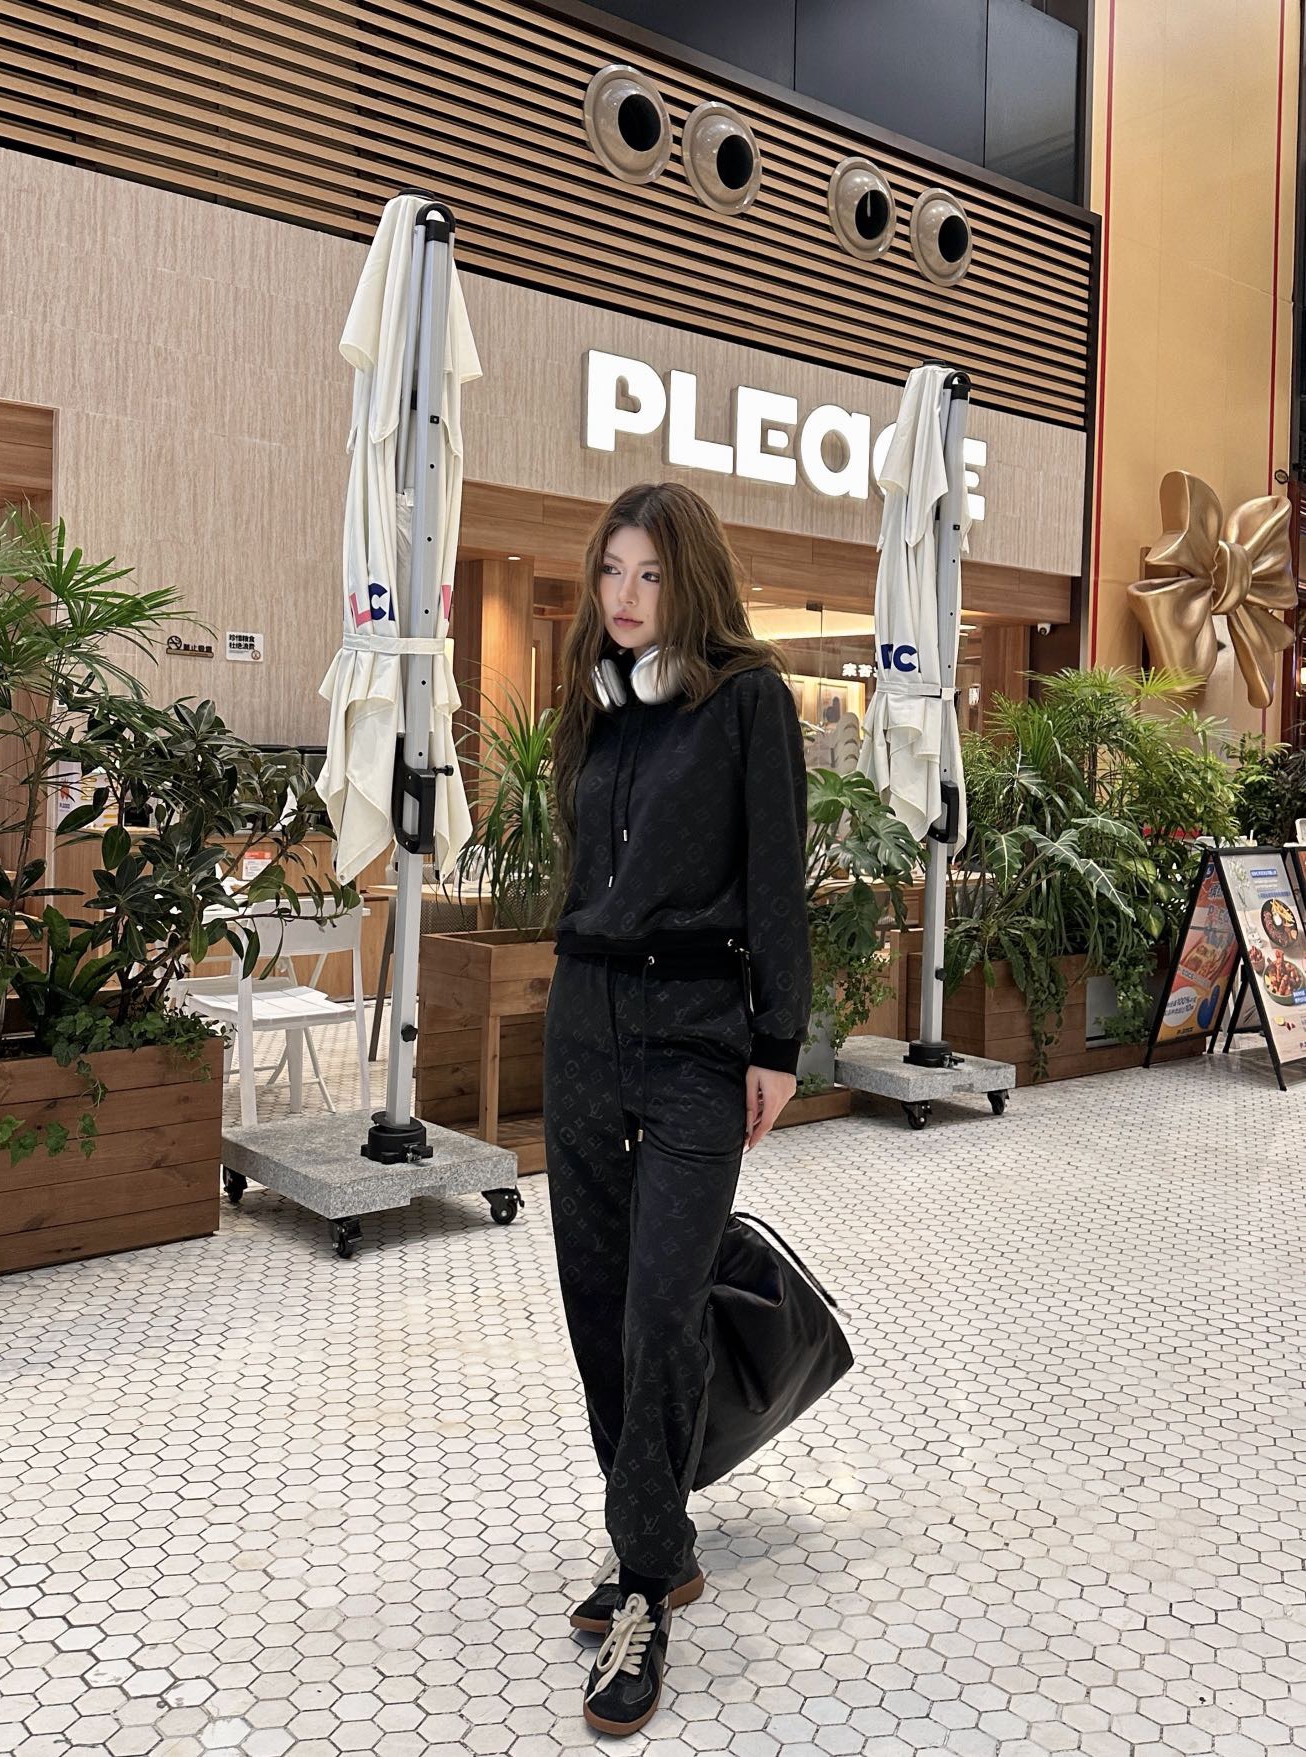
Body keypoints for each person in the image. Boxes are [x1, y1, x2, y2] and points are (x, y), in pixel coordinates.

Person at [544, 481, 812, 1736]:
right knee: (597, 1295)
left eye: (649, 574)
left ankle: (643, 1586)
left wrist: (777, 1041)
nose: (624, 596)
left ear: (689, 580)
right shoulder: (595, 701)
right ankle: (658, 1538)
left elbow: (776, 877)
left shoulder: (749, 699)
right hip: (584, 1020)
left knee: (662, 1300)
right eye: (611, 571)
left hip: (700, 1030)